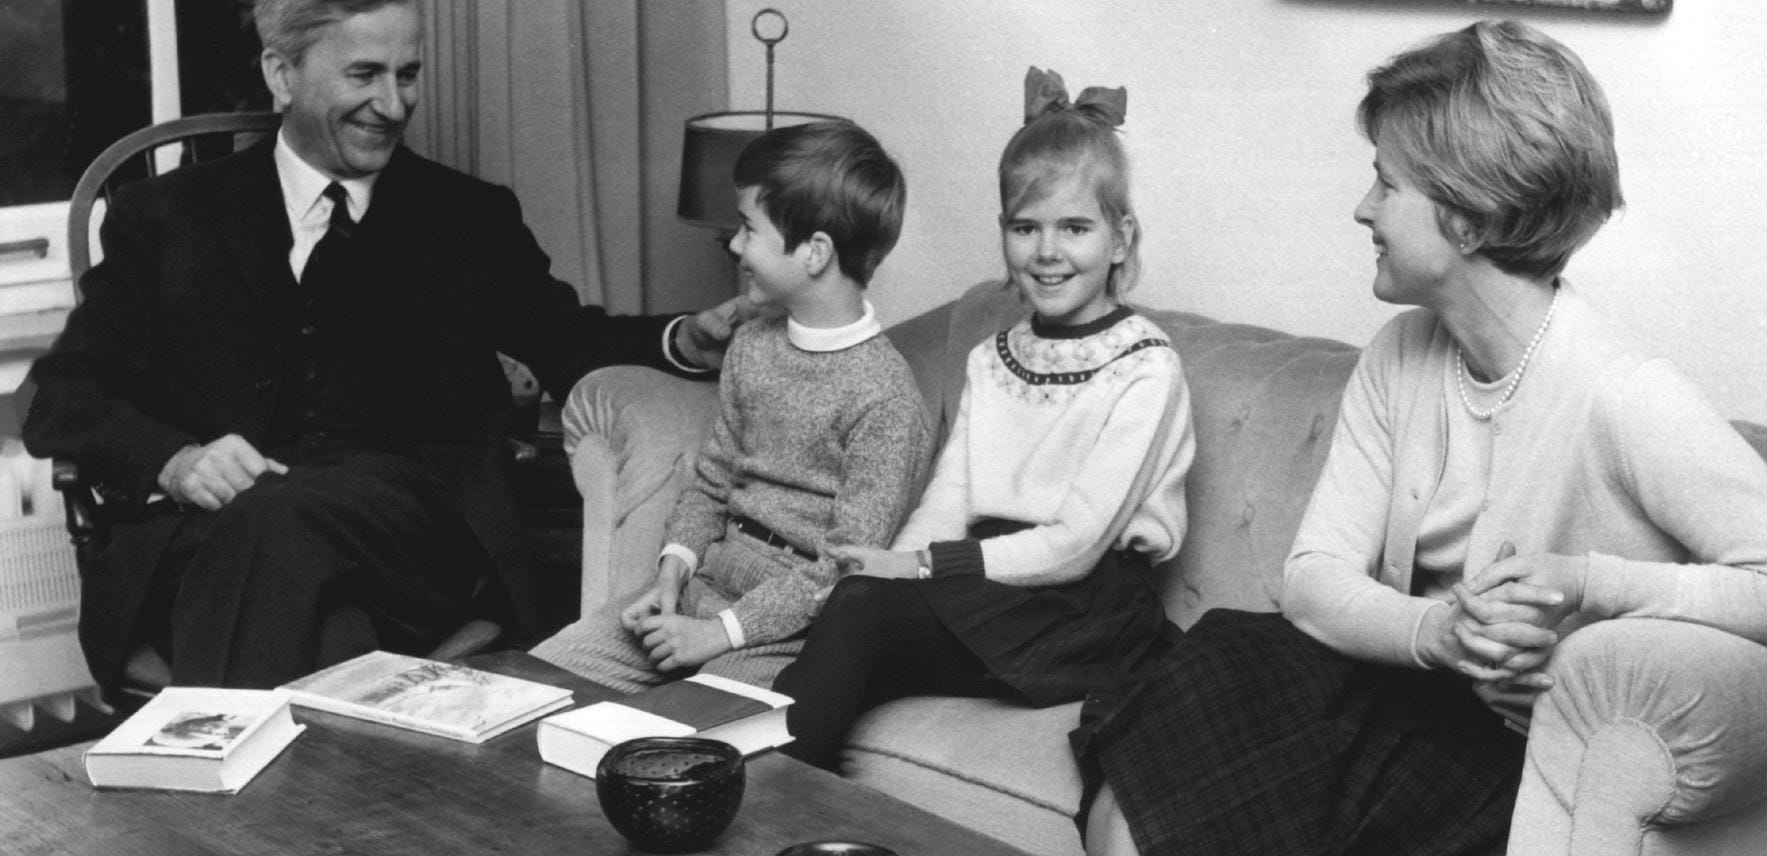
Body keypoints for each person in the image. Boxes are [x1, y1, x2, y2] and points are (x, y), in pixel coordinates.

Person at [1067, 21, 1767, 856]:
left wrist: (1594, 585)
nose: (1362, 207)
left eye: (1385, 182)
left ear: (1473, 213)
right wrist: (1439, 629)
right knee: (1213, 669)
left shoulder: (1622, 394)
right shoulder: (1403, 356)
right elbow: (1313, 582)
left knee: (1187, 747)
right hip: (1395, 692)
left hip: (1503, 759)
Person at [21, 0, 748, 691]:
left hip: (410, 543)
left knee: (276, 515)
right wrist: (179, 463)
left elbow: (569, 340)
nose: (395, 105)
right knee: (332, 636)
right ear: (282, 74)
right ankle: (288, 817)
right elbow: (63, 398)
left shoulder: (467, 218)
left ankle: (198, 781)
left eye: (409, 75)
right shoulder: (168, 217)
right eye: (364, 75)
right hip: (212, 547)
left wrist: (682, 337)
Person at [773, 67, 1196, 774]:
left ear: (1121, 238)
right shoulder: (991, 358)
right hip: (991, 584)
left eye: (1075, 228)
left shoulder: (1145, 367)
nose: (1048, 251)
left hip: (1083, 607)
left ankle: (756, 798)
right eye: (1025, 228)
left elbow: (1078, 542)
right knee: (855, 604)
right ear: (1003, 233)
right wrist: (889, 569)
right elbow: (950, 500)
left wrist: (917, 568)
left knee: (862, 618)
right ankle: (755, 773)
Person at [530, 119, 931, 693]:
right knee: (537, 678)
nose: (736, 246)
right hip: (705, 588)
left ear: (815, 251)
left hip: (788, 629)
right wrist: (674, 568)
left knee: (672, 743)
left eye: (749, 228)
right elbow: (712, 484)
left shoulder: (887, 398)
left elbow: (842, 569)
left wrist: (721, 633)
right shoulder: (753, 343)